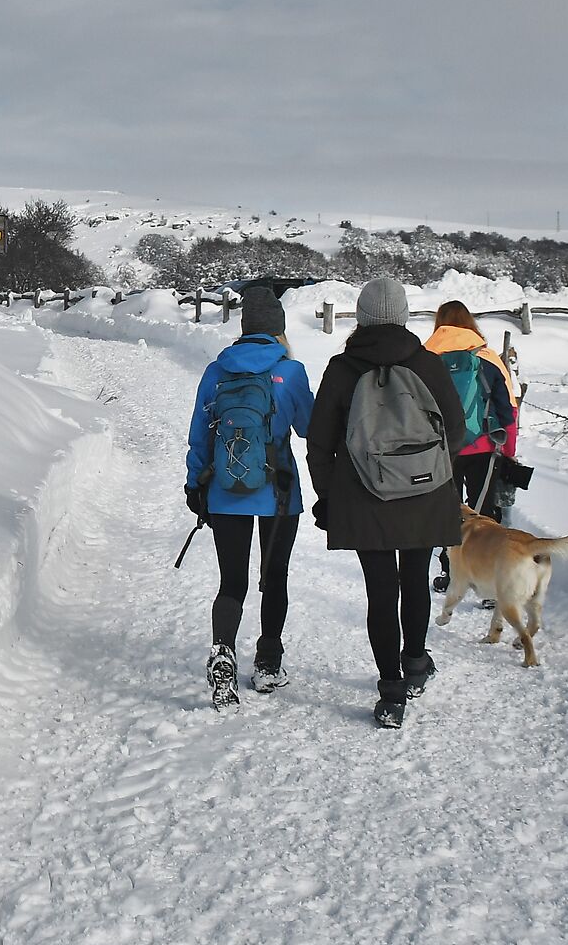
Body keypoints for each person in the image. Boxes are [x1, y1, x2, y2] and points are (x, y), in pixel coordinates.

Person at [305, 278, 470, 729]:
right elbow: (456, 432)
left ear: (360, 317)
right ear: (401, 316)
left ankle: (390, 692)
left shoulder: (341, 369)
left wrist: (331, 496)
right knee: (414, 579)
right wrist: (426, 468)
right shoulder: (428, 364)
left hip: (362, 495)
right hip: (424, 492)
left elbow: (319, 444)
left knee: (381, 591)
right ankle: (415, 664)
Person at [183, 282, 313, 710]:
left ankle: (223, 653)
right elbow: (307, 427)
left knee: (231, 580)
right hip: (278, 492)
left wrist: (193, 484)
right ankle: (269, 663)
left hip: (224, 490)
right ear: (278, 329)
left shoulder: (217, 370)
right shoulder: (290, 371)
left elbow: (200, 434)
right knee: (274, 577)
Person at [422, 300, 519, 592]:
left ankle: (450, 573)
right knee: (485, 513)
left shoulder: (426, 356)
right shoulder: (488, 356)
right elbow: (508, 408)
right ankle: (489, 583)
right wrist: (509, 452)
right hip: (484, 447)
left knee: (448, 510)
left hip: (441, 448)